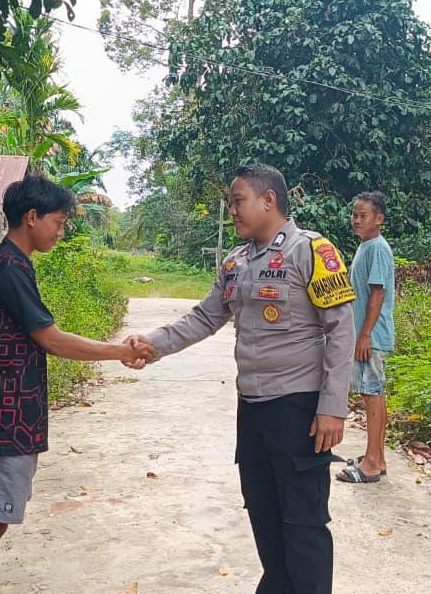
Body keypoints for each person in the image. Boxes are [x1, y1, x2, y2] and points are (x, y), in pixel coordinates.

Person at [128, 163, 355, 594]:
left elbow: (341, 331)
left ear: (268, 200)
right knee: (265, 518)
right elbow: (204, 317)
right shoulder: (236, 262)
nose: (232, 211)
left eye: (238, 201)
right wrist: (153, 344)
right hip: (251, 411)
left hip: (298, 410)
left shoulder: (311, 251)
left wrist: (332, 407)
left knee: (304, 525)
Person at [0, 175, 155, 594]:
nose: (61, 231)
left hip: (3, 413)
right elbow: (51, 339)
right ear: (32, 217)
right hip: (3, 418)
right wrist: (118, 352)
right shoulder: (9, 268)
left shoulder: (9, 263)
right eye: (59, 222)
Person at [336, 191, 395, 484]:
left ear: (379, 219)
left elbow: (378, 293)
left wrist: (365, 335)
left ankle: (371, 463)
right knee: (374, 394)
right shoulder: (366, 246)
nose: (357, 220)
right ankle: (377, 457)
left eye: (363, 216)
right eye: (355, 215)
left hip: (371, 336)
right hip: (367, 334)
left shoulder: (377, 249)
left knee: (371, 394)